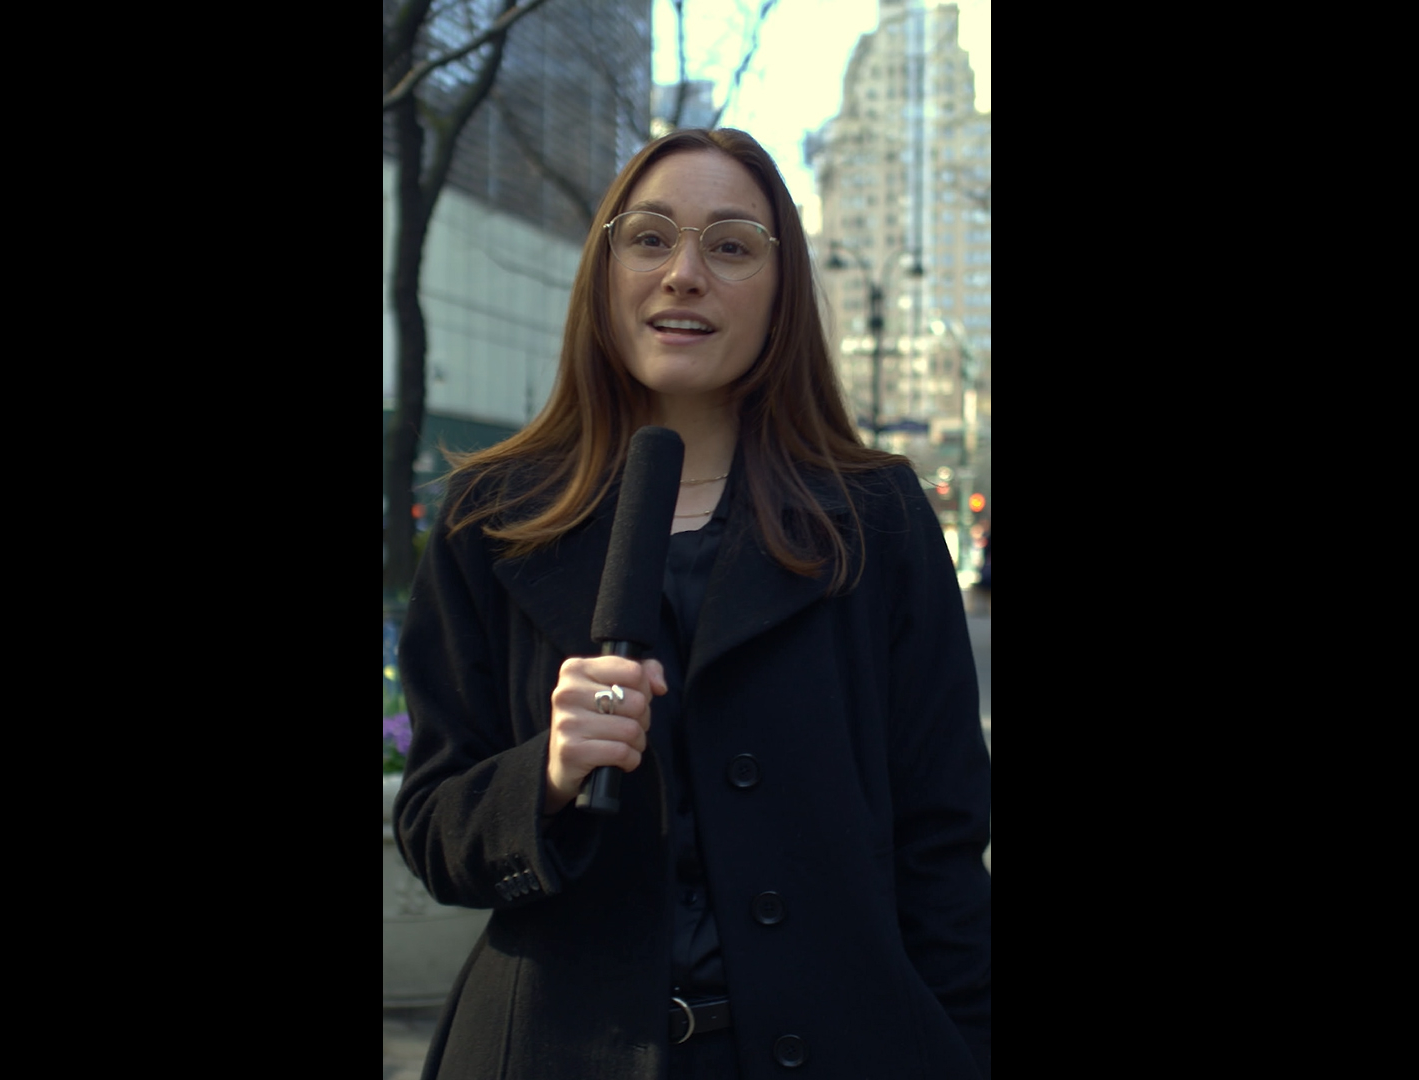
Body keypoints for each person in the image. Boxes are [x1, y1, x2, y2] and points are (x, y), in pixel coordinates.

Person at [393, 128, 990, 1079]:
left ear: (782, 290)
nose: (683, 274)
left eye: (731, 245)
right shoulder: (491, 516)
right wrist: (546, 775)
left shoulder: (875, 518)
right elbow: (433, 828)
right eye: (649, 237)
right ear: (605, 271)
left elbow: (943, 841)